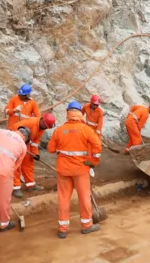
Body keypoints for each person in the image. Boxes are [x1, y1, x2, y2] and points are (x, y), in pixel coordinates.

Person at [47, 101, 102, 238]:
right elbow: (97, 147)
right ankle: (87, 225)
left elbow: (51, 149)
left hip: (63, 170)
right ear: (80, 113)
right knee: (84, 197)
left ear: (67, 113)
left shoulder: (59, 130)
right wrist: (92, 162)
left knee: (64, 198)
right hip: (81, 170)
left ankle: (63, 229)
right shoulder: (86, 129)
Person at [12, 113, 56, 197]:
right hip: (16, 142)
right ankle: (16, 188)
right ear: (42, 119)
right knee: (17, 165)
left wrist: (35, 154)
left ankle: (30, 185)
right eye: (46, 125)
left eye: (47, 127)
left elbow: (35, 141)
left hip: (26, 143)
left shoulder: (42, 127)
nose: (46, 127)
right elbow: (14, 128)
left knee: (29, 162)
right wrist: (21, 141)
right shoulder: (31, 122)